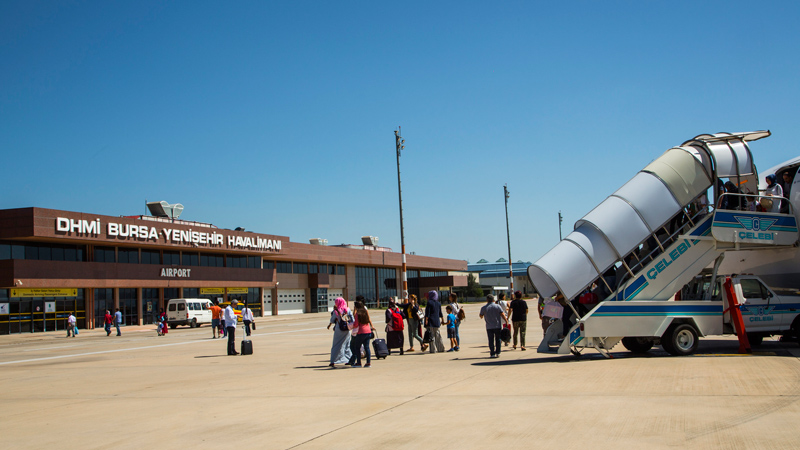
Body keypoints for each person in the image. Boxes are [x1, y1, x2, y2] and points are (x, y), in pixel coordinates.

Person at [347, 297, 376, 367]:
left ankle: (359, 362)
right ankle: (368, 363)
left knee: (357, 347)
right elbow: (368, 319)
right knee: (367, 347)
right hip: (368, 331)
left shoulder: (358, 314)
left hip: (361, 332)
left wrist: (350, 325)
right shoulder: (365, 312)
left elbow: (356, 324)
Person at [327, 297, 353, 368]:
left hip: (339, 329)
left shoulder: (336, 311)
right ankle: (350, 359)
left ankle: (333, 361)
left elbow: (332, 320)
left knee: (336, 345)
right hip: (346, 329)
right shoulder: (347, 309)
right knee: (347, 345)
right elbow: (352, 319)